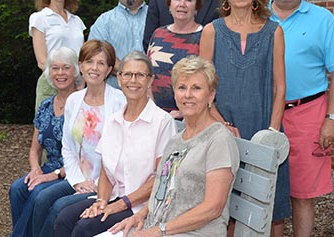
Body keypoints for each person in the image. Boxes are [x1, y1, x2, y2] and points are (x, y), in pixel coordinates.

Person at [199, 0, 290, 236]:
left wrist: (272, 133)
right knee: (225, 210)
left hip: (263, 128)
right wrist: (223, 126)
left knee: (270, 211)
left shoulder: (274, 31)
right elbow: (203, 88)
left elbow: (280, 87)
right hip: (223, 131)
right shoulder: (212, 31)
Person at [102, 55, 239, 237]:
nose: (188, 95)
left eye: (196, 88)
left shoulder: (218, 139)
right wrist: (140, 215)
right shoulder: (176, 140)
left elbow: (213, 208)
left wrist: (159, 230)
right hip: (158, 227)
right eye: (182, 88)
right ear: (175, 93)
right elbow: (162, 189)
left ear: (211, 95)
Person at [267, 0, 334, 237]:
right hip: (264, 112)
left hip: (307, 114)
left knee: (302, 194)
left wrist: (332, 118)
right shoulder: (255, 17)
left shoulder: (323, 19)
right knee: (263, 187)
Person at [54, 51, 177, 237]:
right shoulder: (113, 121)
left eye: (140, 75)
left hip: (142, 206)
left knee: (84, 228)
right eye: (127, 74)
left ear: (150, 80)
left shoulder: (162, 122)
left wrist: (119, 205)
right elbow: (105, 169)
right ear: (119, 78)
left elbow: (161, 179)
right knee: (64, 218)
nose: (133, 80)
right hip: (113, 197)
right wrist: (101, 202)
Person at [31, 40, 127, 237]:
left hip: (104, 183)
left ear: (109, 69)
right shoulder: (74, 100)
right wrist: (77, 182)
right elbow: (67, 146)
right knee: (40, 198)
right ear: (81, 66)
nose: (94, 68)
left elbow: (119, 153)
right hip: (77, 177)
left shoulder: (119, 101)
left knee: (59, 207)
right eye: (89, 62)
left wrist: (92, 183)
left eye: (101, 63)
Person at [9, 47, 80, 236]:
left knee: (39, 194)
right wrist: (35, 169)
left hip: (71, 171)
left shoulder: (82, 105)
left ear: (76, 71)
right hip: (49, 167)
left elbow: (85, 156)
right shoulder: (45, 106)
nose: (60, 73)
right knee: (17, 188)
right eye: (55, 68)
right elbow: (35, 149)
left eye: (66, 68)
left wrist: (53, 175)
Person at [29, 0, 86, 111]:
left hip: (77, 88)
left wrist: (81, 82)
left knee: (77, 132)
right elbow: (42, 61)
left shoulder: (77, 21)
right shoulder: (39, 18)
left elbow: (84, 57)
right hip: (51, 86)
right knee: (47, 132)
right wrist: (64, 82)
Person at [147, 0, 203, 116]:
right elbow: (148, 74)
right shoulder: (158, 34)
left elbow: (207, 82)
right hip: (155, 115)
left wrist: (182, 113)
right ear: (169, 5)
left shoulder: (204, 36)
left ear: (196, 8)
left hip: (188, 117)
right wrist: (153, 109)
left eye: (189, 0)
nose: (182, 4)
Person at [88, 0, 147, 89]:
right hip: (115, 97)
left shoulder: (157, 17)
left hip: (153, 96)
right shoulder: (104, 22)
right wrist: (130, 75)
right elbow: (96, 55)